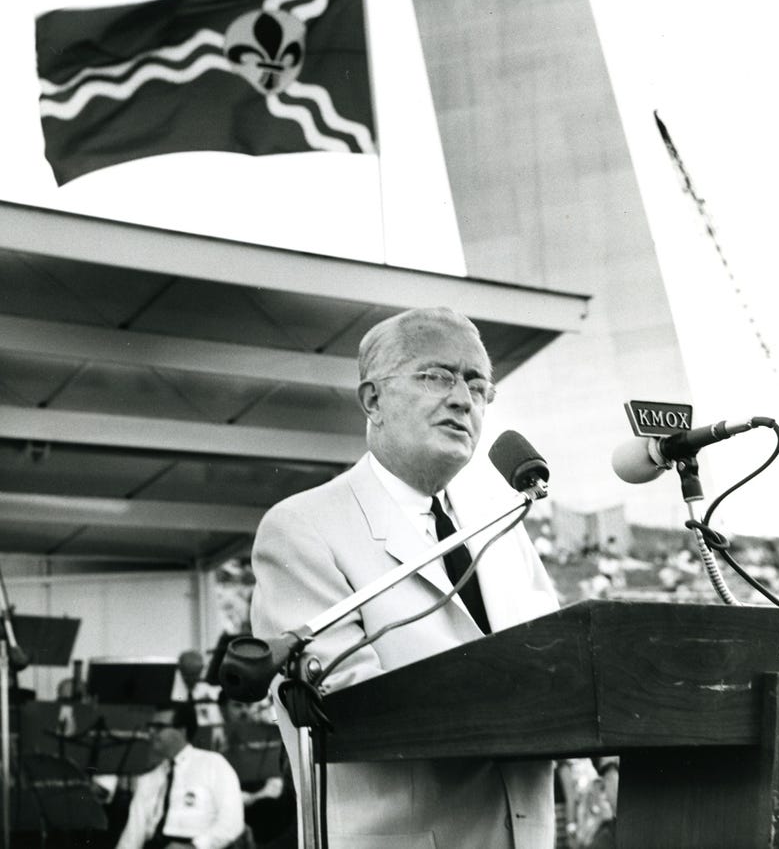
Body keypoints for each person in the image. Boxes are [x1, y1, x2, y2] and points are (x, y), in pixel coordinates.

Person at [251, 306, 559, 848]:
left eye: (478, 385)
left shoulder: (504, 523)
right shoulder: (302, 527)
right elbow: (350, 710)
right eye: (436, 376)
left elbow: (562, 666)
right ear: (373, 400)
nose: (463, 399)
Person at [115, 703, 245, 849]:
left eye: (159, 727)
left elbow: (232, 823)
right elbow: (133, 833)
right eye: (151, 726)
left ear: (182, 731)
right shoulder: (150, 776)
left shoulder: (213, 764)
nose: (151, 732)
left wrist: (195, 846)